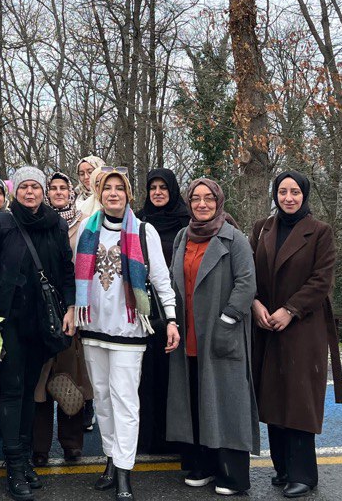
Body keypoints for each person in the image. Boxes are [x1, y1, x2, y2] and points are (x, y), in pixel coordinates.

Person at [76, 169, 179, 501]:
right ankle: (110, 459)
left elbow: (162, 279)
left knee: (126, 402)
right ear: (100, 193)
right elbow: (72, 276)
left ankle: (124, 471)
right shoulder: (86, 231)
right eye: (108, 188)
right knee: (103, 400)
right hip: (92, 329)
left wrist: (172, 319)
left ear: (128, 194)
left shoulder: (144, 231)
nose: (114, 193)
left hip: (129, 330)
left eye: (120, 188)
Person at [0, 167, 76, 501]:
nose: (29, 192)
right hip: (9, 321)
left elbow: (65, 270)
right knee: (12, 389)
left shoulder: (55, 224)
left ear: (43, 191)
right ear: (15, 191)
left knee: (31, 389)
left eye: (35, 187)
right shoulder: (2, 223)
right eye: (24, 187)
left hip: (42, 322)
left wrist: (71, 308)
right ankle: (14, 465)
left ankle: (27, 457)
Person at [250, 170, 342, 497]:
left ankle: (304, 474)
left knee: (299, 400)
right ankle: (282, 468)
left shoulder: (320, 232)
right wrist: (255, 304)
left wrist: (290, 309)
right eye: (283, 192)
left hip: (303, 326)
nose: (288, 198)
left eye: (295, 192)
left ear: (304, 195)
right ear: (275, 194)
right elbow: (248, 272)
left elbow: (321, 280)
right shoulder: (262, 228)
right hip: (267, 325)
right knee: (273, 397)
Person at [166, 178, 259, 496]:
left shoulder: (233, 238)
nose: (202, 204)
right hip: (189, 332)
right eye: (196, 198)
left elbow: (247, 283)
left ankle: (232, 474)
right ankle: (202, 464)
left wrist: (227, 319)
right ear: (189, 202)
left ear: (218, 202)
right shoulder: (182, 237)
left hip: (221, 333)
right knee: (195, 399)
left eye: (208, 198)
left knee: (225, 402)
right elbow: (171, 278)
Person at [33, 172, 91, 466]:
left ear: (70, 192)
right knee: (40, 382)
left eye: (62, 188)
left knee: (70, 376)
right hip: (42, 307)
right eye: (52, 188)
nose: (57, 192)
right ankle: (39, 447)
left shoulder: (84, 223)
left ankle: (72, 444)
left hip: (72, 305)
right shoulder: (38, 221)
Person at [135, 167, 192, 456]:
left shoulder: (186, 222)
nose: (157, 193)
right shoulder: (138, 222)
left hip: (176, 309)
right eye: (153, 188)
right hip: (144, 310)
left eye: (163, 188)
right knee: (146, 375)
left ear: (172, 191)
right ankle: (149, 437)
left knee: (174, 374)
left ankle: (176, 437)